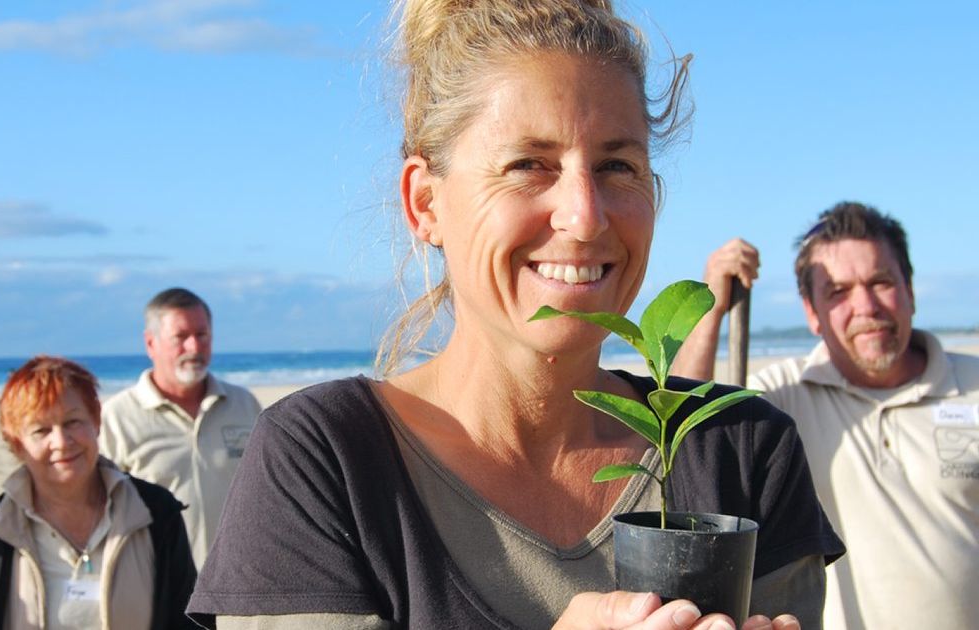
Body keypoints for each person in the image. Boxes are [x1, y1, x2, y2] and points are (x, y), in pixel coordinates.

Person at [188, 1, 844, 629]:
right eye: (529, 165)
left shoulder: (739, 450)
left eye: (617, 165)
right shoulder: (327, 463)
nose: (584, 216)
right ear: (425, 204)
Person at [672, 201, 979, 629]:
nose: (866, 305)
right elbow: (686, 435)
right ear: (812, 313)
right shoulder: (777, 401)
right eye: (839, 292)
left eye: (881, 282)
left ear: (909, 291)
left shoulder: (974, 386)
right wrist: (709, 309)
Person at [0, 356, 198, 630]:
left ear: (96, 421)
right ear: (17, 444)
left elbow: (187, 620)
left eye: (72, 422)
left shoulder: (155, 512)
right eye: (41, 430)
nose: (61, 442)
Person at [99, 288, 261, 569]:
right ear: (151, 343)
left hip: (236, 584)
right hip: (158, 584)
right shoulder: (117, 418)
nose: (194, 348)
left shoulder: (244, 405)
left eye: (202, 335)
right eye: (181, 337)